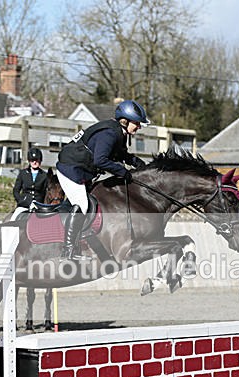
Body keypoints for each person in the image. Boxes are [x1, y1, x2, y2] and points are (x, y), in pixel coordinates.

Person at [55, 99, 148, 260]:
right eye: (137, 123)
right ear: (125, 121)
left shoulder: (118, 132)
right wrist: (123, 172)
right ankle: (68, 250)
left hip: (80, 170)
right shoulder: (109, 134)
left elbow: (121, 154)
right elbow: (100, 160)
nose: (139, 126)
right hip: (70, 169)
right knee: (82, 204)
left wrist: (137, 163)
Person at [10, 147, 49, 221]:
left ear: (40, 161)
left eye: (36, 160)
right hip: (24, 204)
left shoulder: (44, 175)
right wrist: (21, 200)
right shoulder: (23, 173)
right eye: (32, 160)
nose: (34, 162)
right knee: (13, 219)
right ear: (29, 161)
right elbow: (16, 190)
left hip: (39, 205)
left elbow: (46, 192)